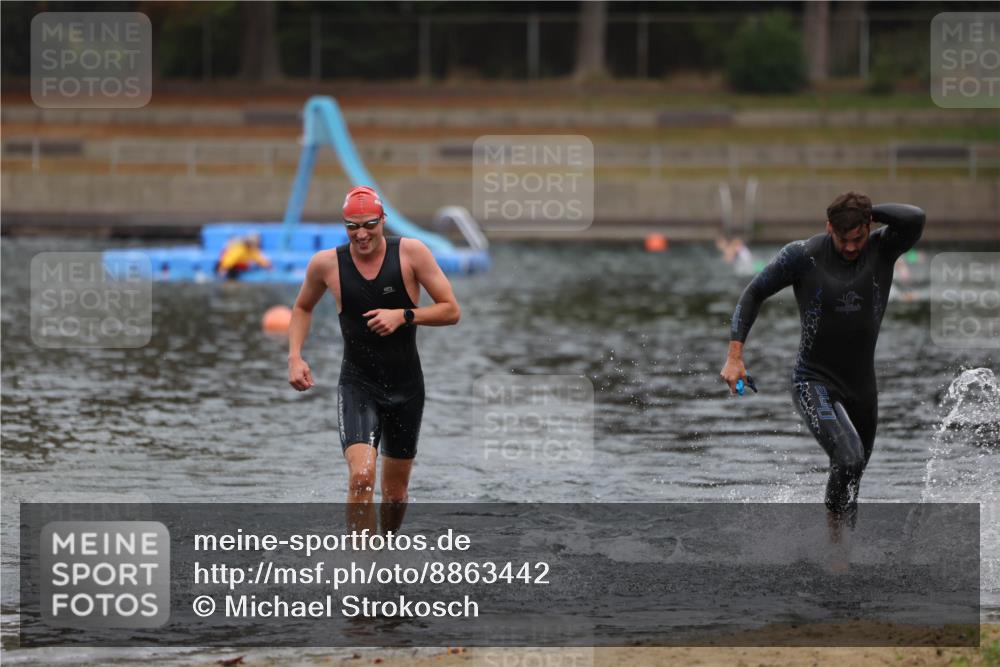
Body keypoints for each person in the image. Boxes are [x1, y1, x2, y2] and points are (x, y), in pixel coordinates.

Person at [719, 192, 925, 524]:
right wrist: (734, 356)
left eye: (858, 238)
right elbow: (754, 292)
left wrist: (870, 212)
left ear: (868, 227)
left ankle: (839, 555)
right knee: (848, 459)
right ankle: (834, 552)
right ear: (829, 227)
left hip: (861, 388)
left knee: (852, 477)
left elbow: (915, 217)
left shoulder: (882, 248)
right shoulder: (803, 256)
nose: (851, 247)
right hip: (812, 380)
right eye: (843, 239)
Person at [287, 185, 460, 534]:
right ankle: (358, 564)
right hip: (358, 385)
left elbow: (451, 310)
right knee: (362, 476)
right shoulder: (327, 264)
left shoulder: (412, 254)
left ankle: (385, 550)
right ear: (344, 225)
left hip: (406, 388)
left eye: (369, 224)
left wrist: (404, 316)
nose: (362, 234)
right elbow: (303, 307)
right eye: (353, 226)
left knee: (395, 495)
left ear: (383, 220)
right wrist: (294, 356)